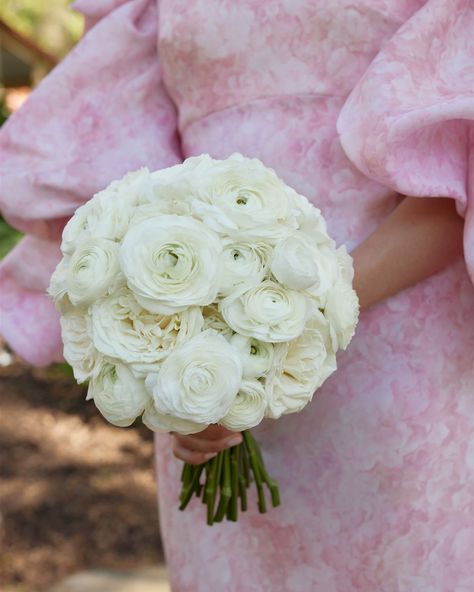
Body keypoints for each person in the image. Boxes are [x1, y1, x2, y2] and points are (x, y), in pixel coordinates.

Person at [0, 1, 473, 590]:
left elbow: (454, 165)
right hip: (209, 380)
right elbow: (128, 157)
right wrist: (178, 356)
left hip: (395, 387)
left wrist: (299, 315)